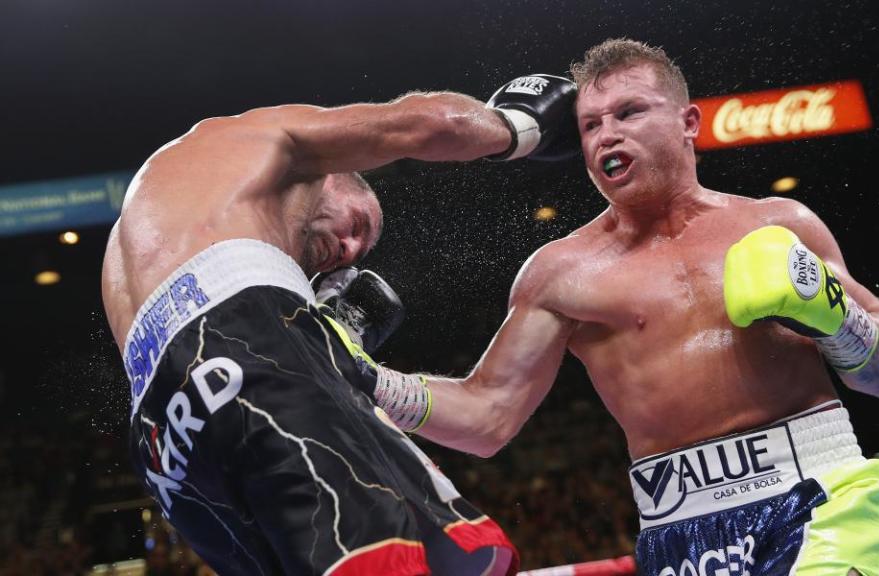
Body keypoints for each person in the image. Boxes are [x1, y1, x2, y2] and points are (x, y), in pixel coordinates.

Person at [343, 40, 879, 575]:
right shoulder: (561, 273)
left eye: (629, 112)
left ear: (688, 123)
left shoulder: (779, 223)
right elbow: (488, 416)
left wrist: (840, 318)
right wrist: (367, 378)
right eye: (591, 124)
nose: (606, 135)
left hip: (818, 493)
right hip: (678, 528)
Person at [100, 79, 579, 576]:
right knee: (403, 561)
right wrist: (518, 126)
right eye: (358, 225)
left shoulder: (140, 239)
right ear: (332, 175)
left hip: (164, 451)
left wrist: (347, 362)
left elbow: (486, 424)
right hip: (249, 343)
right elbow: (426, 123)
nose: (349, 252)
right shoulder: (251, 138)